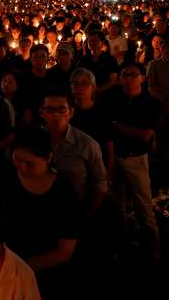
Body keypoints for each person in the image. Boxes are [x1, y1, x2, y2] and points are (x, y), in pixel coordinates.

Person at [2, 127, 82, 300]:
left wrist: (19, 269)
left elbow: (64, 251)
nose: (21, 167)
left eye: (29, 163)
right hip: (8, 267)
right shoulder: (8, 178)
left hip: (48, 275)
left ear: (48, 158)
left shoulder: (63, 193)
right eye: (17, 159)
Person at [100, 62, 162, 261]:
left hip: (136, 158)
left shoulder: (151, 103)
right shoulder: (111, 98)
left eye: (132, 74)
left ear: (142, 78)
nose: (127, 78)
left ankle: (153, 248)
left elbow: (145, 136)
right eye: (124, 74)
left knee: (143, 203)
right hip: (114, 156)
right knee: (117, 201)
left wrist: (118, 126)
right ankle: (123, 240)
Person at [39, 90, 108, 217]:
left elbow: (100, 184)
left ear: (71, 112)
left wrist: (88, 214)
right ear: (41, 112)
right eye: (50, 109)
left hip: (74, 210)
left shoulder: (87, 145)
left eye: (61, 109)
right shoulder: (33, 140)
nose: (55, 114)